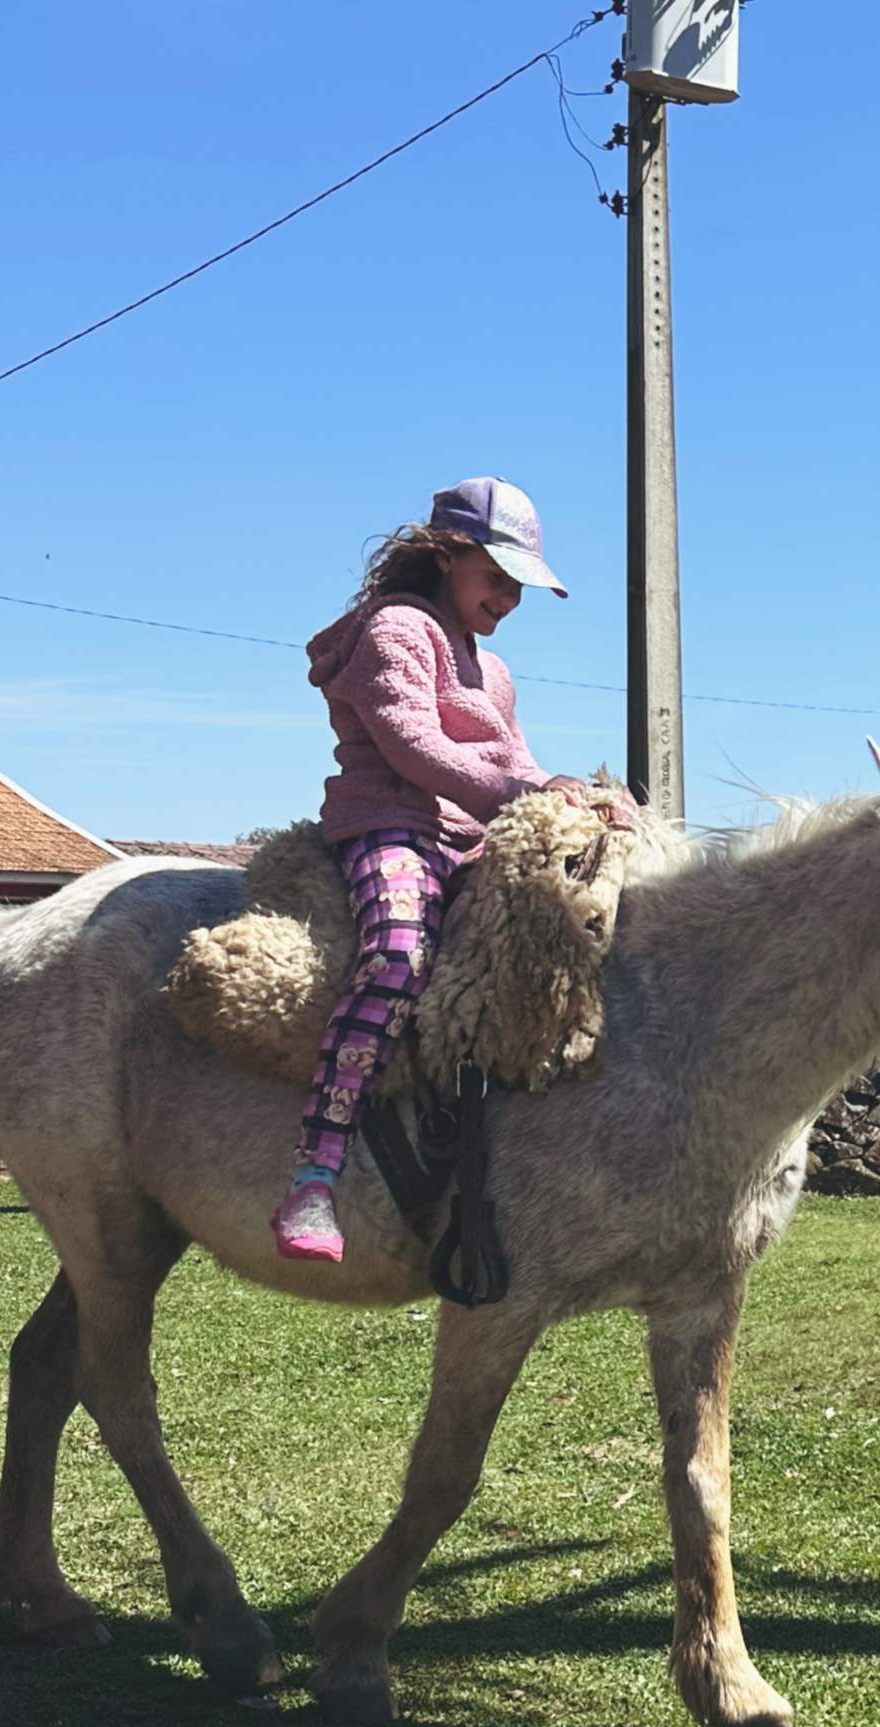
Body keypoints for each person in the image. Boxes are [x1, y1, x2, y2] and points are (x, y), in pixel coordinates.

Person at [271, 476, 630, 1264]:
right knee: (398, 957)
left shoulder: (492, 672)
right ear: (445, 556)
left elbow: (516, 761)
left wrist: (572, 797)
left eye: (518, 586)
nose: (508, 599)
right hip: (393, 827)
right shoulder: (396, 630)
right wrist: (522, 793)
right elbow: (413, 747)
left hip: (470, 840)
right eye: (496, 577)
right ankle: (315, 1171)